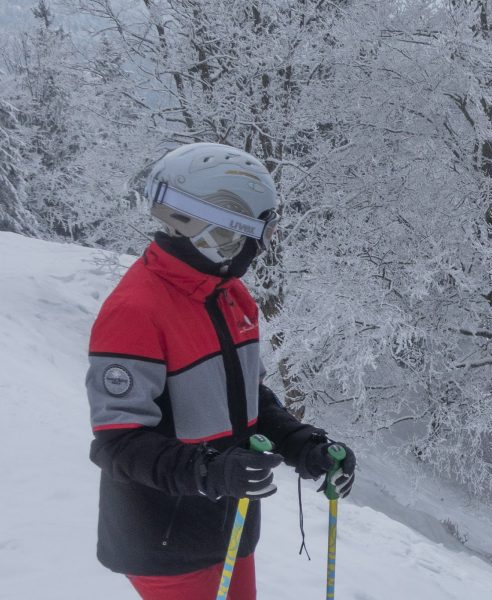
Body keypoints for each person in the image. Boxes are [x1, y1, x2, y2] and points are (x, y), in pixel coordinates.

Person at [85, 142, 356, 599]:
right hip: (167, 540)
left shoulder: (230, 297)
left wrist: (301, 443)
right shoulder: (135, 312)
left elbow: (247, 397)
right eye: (256, 234)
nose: (260, 249)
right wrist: (207, 471)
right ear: (218, 232)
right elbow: (118, 445)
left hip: (225, 527)